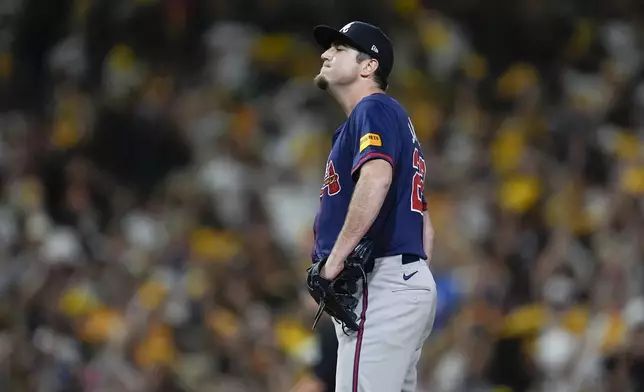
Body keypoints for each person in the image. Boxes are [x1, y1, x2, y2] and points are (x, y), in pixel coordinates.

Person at [310, 21, 437, 392]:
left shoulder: (373, 108)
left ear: (369, 66)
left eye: (339, 49)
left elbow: (377, 179)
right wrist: (411, 277)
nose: (325, 54)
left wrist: (334, 262)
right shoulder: (389, 118)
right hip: (401, 282)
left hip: (382, 285)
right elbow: (425, 225)